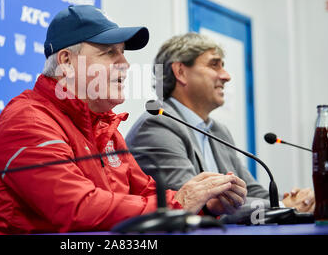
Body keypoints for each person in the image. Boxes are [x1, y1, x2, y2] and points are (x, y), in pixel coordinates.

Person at [0, 6, 247, 234]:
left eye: (123, 53)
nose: (125, 64)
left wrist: (205, 203)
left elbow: (148, 191)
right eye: (109, 53)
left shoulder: (102, 125)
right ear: (67, 62)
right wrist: (181, 203)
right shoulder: (26, 122)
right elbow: (77, 209)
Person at [125, 32, 315, 218]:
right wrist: (284, 206)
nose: (226, 76)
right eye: (214, 65)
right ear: (180, 72)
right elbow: (194, 204)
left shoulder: (218, 130)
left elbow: (251, 191)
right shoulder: (157, 126)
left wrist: (300, 201)